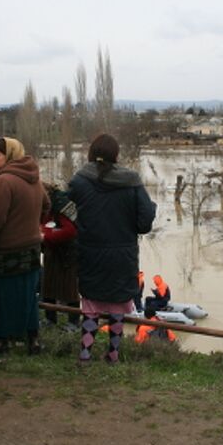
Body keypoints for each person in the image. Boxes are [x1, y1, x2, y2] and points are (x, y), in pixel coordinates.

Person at [68, 133, 156, 364]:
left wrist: (81, 224)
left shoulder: (79, 181)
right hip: (122, 254)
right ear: (116, 155)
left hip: (90, 253)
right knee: (117, 304)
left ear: (91, 154)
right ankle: (113, 354)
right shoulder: (132, 181)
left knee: (90, 305)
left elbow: (64, 208)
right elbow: (144, 223)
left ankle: (85, 354)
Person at [0, 137, 50, 355]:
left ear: (9, 156)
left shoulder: (4, 182)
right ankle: (33, 340)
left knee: (1, 295)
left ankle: (1, 340)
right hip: (31, 248)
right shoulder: (34, 178)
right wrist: (32, 225)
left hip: (5, 250)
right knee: (29, 296)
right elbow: (47, 205)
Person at [40, 182, 80, 332]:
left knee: (69, 288)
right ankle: (50, 319)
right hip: (51, 250)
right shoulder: (43, 205)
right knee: (48, 285)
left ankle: (74, 322)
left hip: (68, 252)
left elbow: (70, 231)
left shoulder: (62, 204)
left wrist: (45, 234)